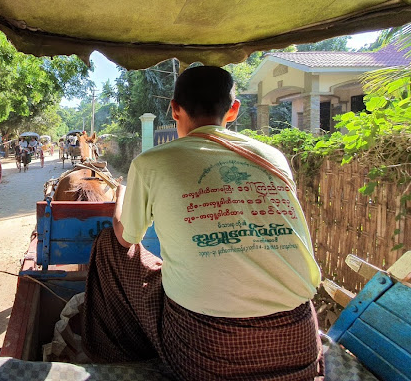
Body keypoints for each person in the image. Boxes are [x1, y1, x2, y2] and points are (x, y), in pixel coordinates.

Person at [82, 66, 323, 381]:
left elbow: (126, 238)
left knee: (108, 245)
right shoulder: (272, 157)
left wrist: (122, 196)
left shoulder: (152, 162)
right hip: (299, 342)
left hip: (209, 354)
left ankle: (115, 349)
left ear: (174, 109)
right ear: (233, 110)